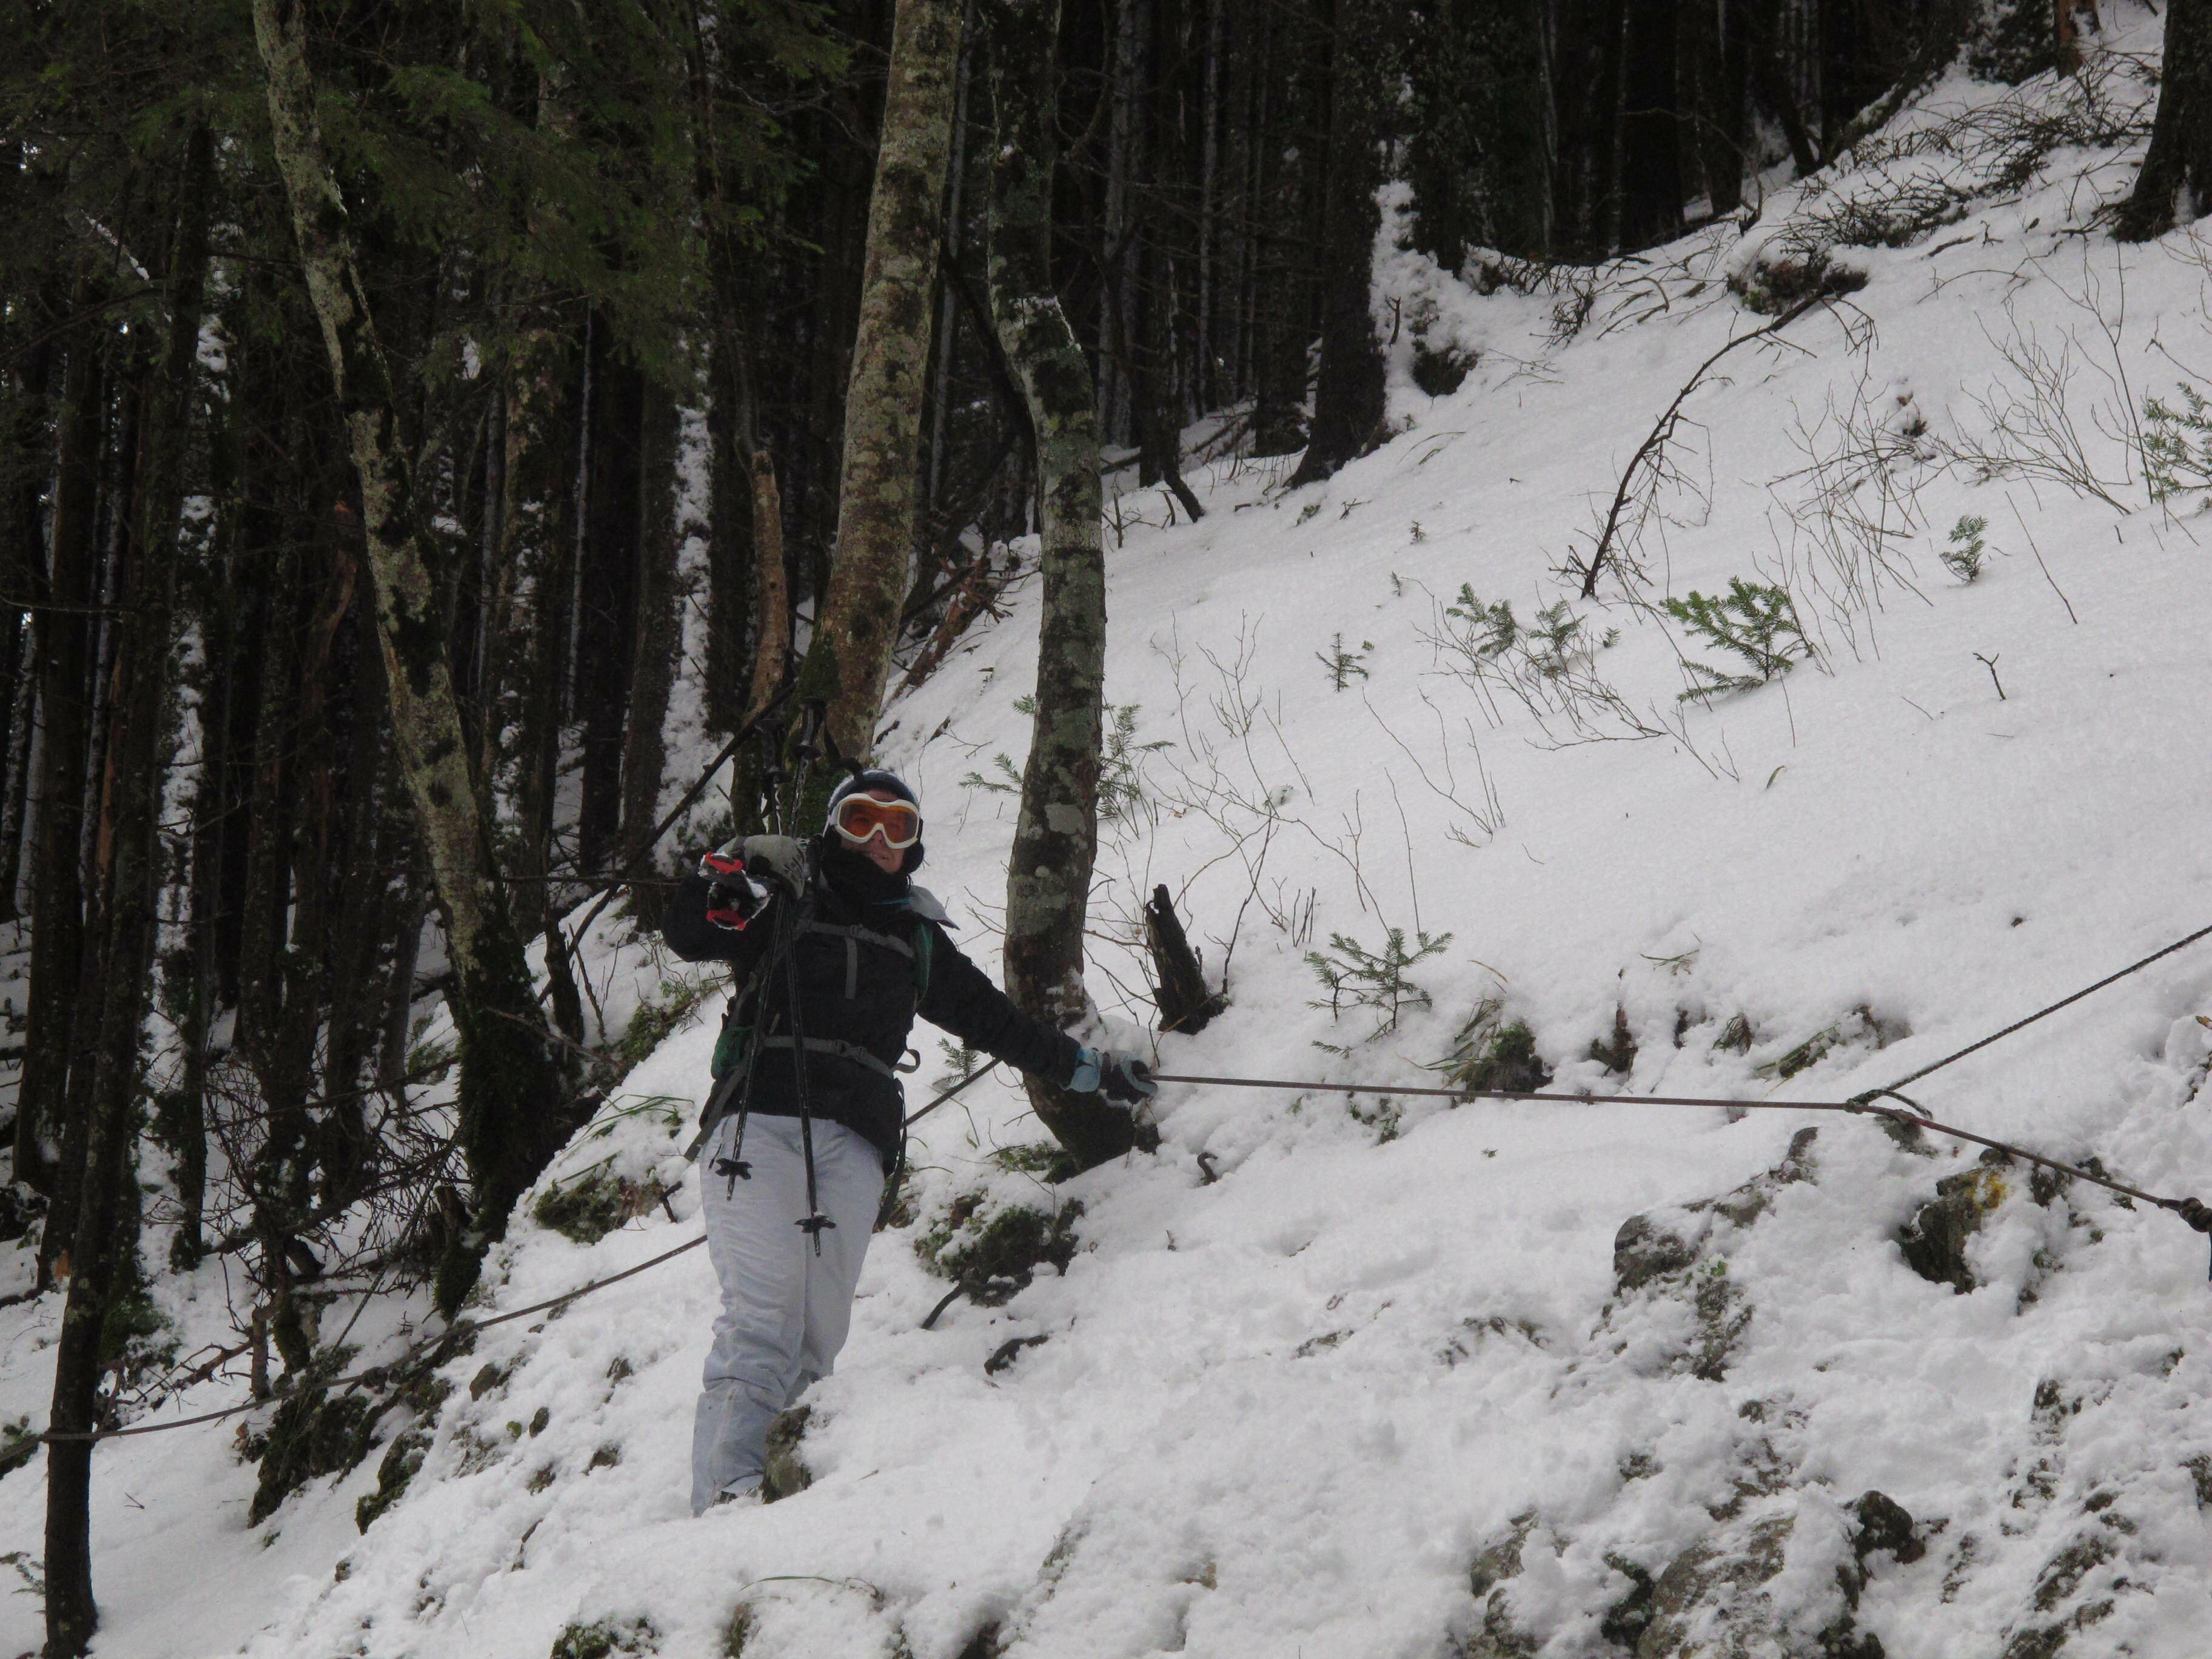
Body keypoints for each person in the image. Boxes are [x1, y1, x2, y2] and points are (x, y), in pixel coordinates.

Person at [662, 768, 1156, 1512]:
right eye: (861, 819)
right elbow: (694, 934)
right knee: (764, 1319)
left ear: (914, 846)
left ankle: (777, 1495)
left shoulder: (914, 936)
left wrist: (1090, 1070)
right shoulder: (787, 896)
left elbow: (997, 1023)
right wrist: (722, 881)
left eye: (898, 826)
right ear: (835, 828)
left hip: (855, 1147)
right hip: (757, 1127)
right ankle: (726, 1494)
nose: (878, 838)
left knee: (816, 1335)